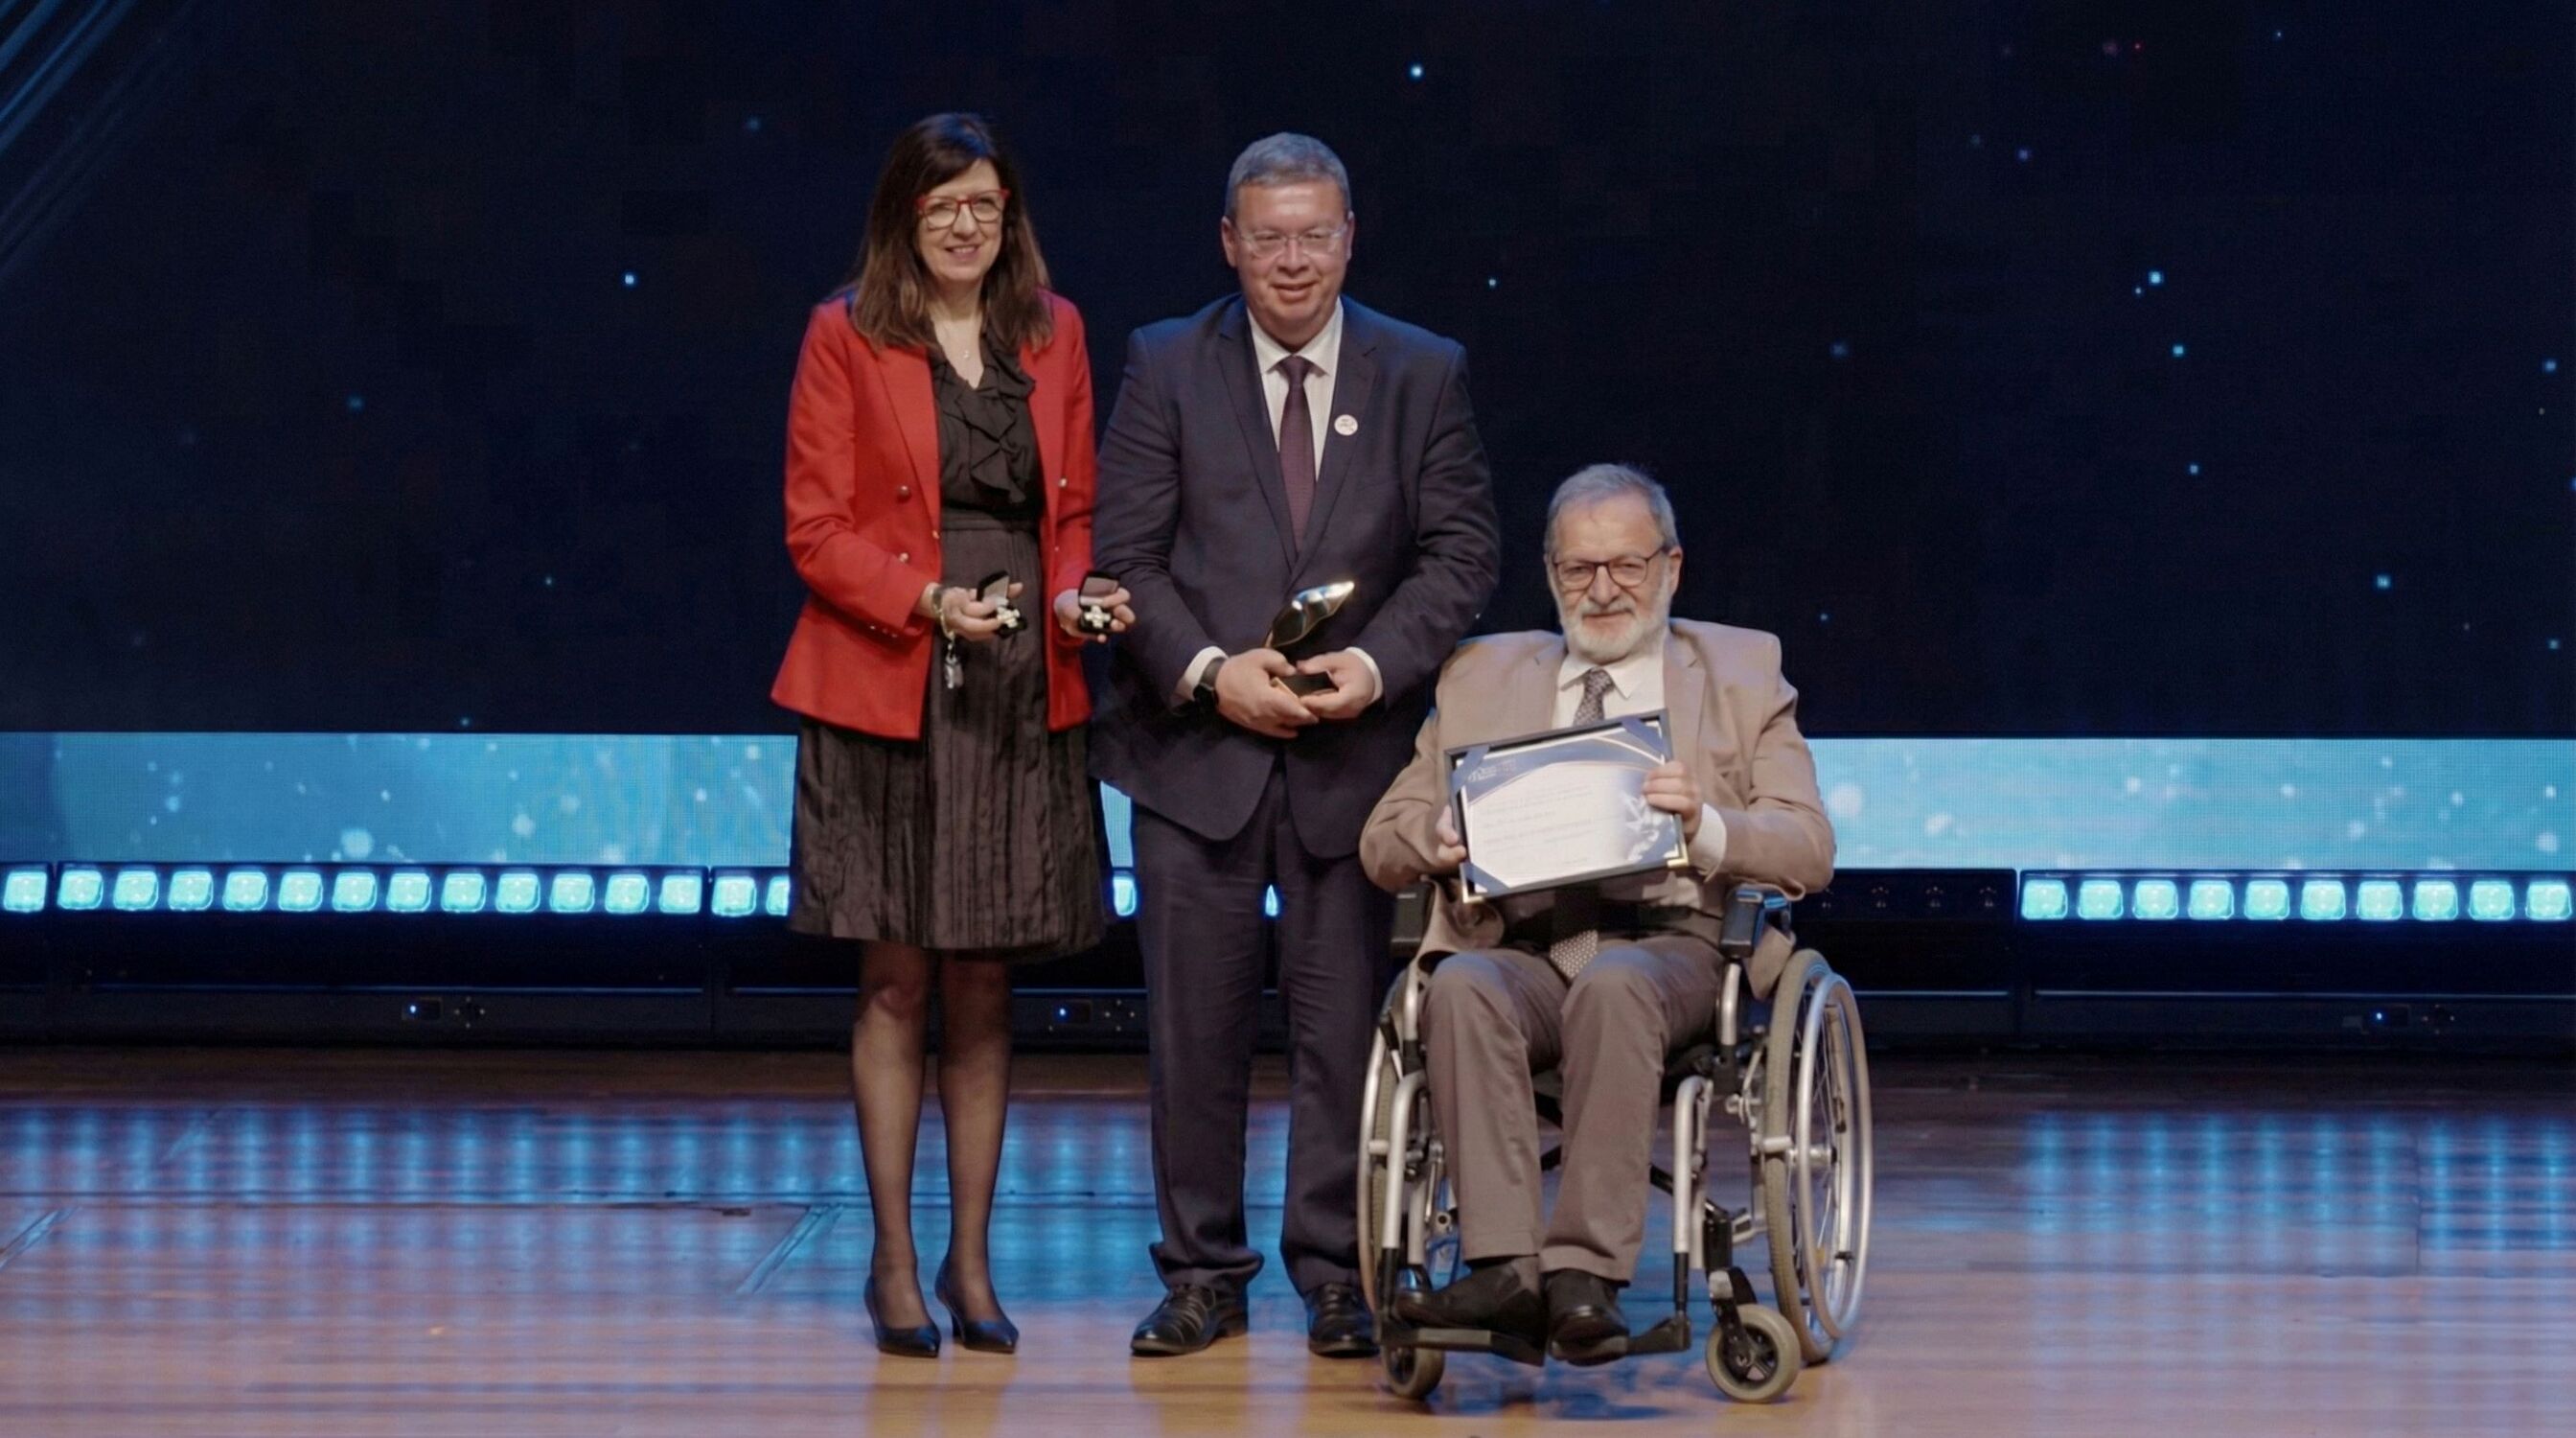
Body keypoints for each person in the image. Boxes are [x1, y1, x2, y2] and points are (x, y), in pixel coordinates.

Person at [1091, 132, 1501, 1357]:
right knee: (1194, 1038)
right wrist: (1214, 675)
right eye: (1267, 237)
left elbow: (1462, 553)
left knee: (1341, 1039)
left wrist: (1372, 669)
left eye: (1314, 235)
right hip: (1193, 761)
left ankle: (1338, 1273)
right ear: (1229, 242)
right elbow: (1126, 557)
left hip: (1352, 767)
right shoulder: (1166, 362)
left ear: (1349, 239)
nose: (1291, 261)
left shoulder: (1422, 370)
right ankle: (1202, 1275)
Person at [769, 112, 1132, 1359]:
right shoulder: (846, 332)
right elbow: (816, 529)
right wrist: (924, 602)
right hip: (894, 679)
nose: (967, 225)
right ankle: (890, 1258)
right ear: (905, 218)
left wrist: (1076, 599)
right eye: (943, 208)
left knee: (985, 981)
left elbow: (1071, 519)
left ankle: (972, 1262)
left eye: (985, 203)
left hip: (1020, 683)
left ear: (1008, 212)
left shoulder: (1054, 328)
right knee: (896, 979)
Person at [1357, 463, 1835, 1365]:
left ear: (1671, 569)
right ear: (1551, 574)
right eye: (1580, 568)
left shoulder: (1741, 671)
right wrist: (1438, 834)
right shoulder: (1481, 675)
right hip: (1527, 952)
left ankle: (1584, 1273)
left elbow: (1809, 847)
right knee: (1458, 986)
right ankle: (1504, 1269)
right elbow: (1381, 841)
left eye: (1627, 565)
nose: (1603, 589)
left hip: (1676, 950)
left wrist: (1706, 824)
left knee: (1614, 983)